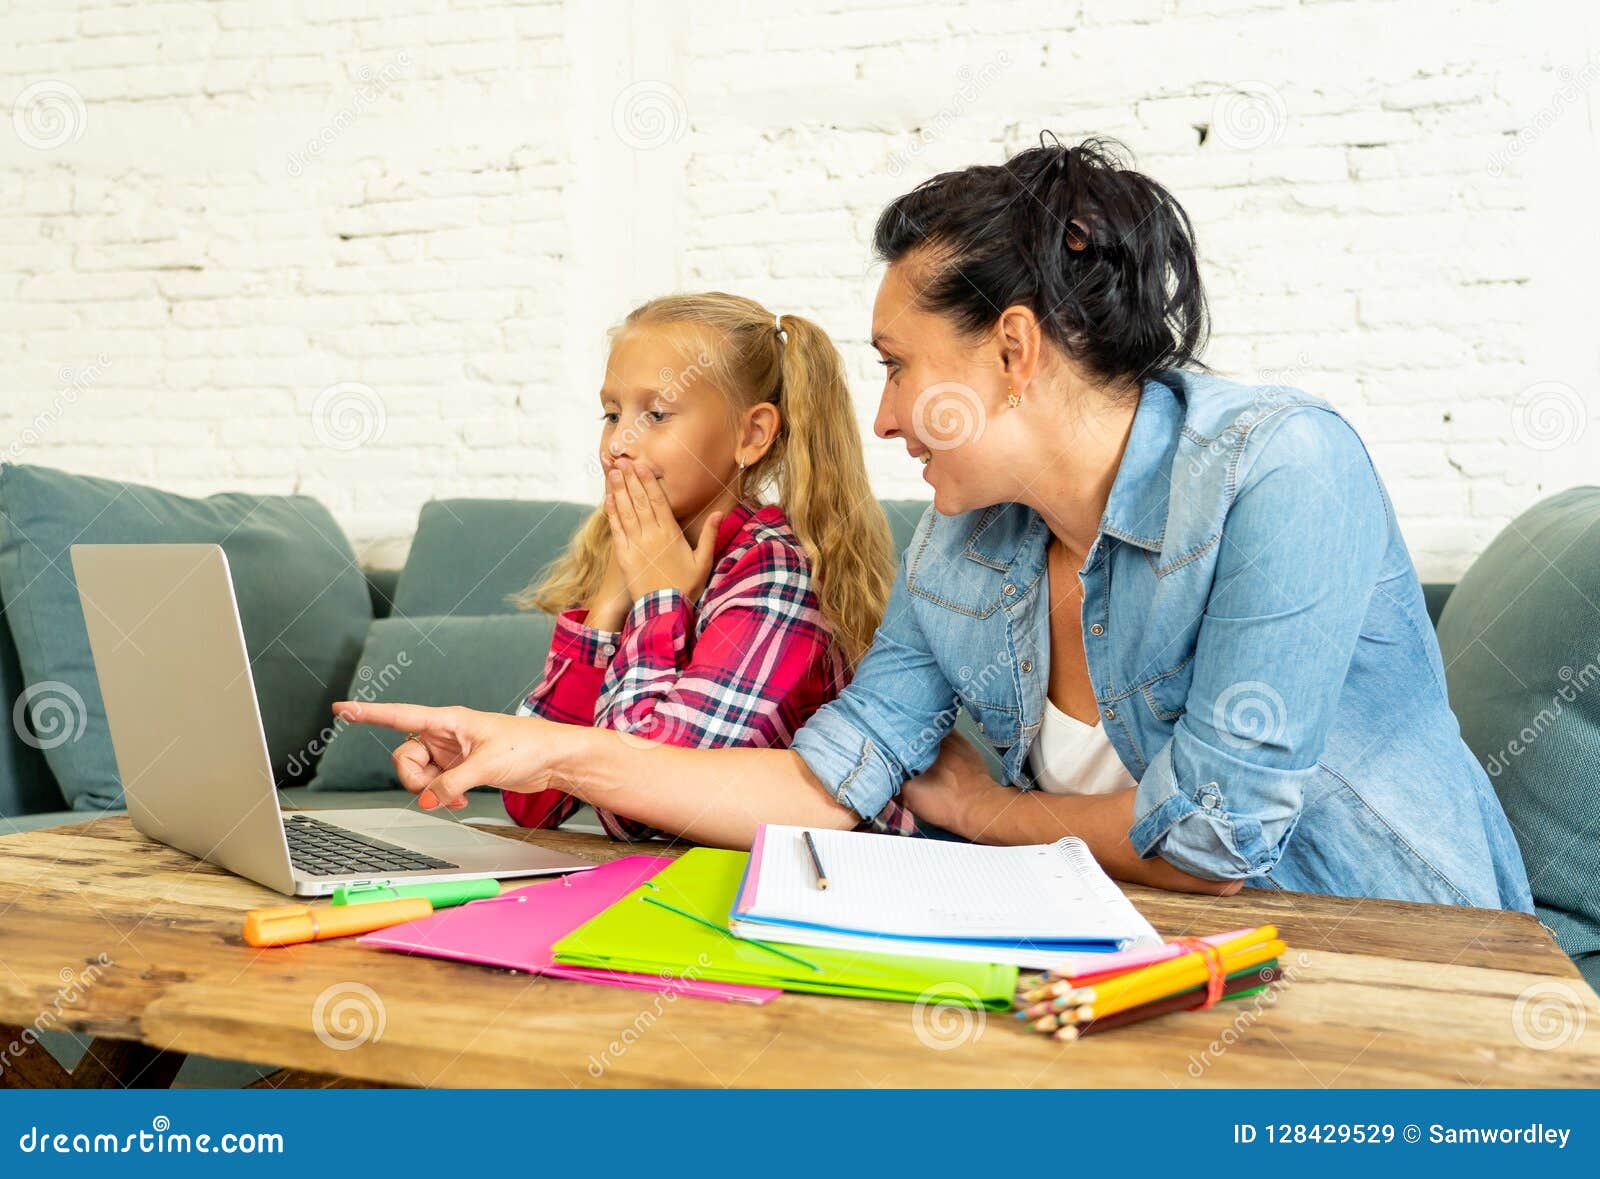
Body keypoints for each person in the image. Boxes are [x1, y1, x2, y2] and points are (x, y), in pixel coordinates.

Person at [338, 136, 1533, 910]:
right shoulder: (971, 532)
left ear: (1013, 350)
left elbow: (1212, 845)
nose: (887, 415)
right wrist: (540, 749)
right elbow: (828, 782)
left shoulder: (1281, 469)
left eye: (901, 367)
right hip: (1134, 974)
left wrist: (979, 812)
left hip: (1396, 969)